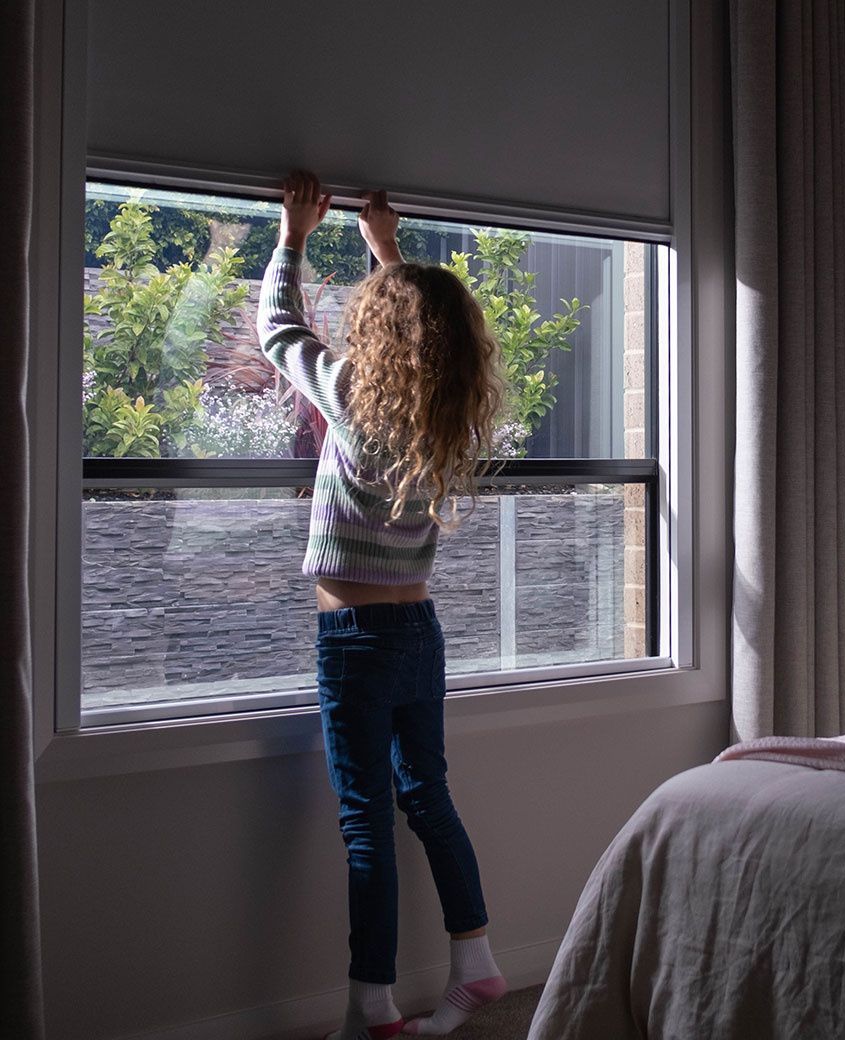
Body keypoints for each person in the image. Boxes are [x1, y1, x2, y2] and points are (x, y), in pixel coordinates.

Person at [258, 171, 508, 1040]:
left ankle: (372, 1008)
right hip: (418, 631)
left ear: (385, 339)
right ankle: (473, 964)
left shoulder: (358, 403)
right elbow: (421, 329)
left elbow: (278, 332)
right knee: (428, 798)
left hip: (357, 639)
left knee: (366, 814)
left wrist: (293, 235)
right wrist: (387, 252)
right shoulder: (441, 421)